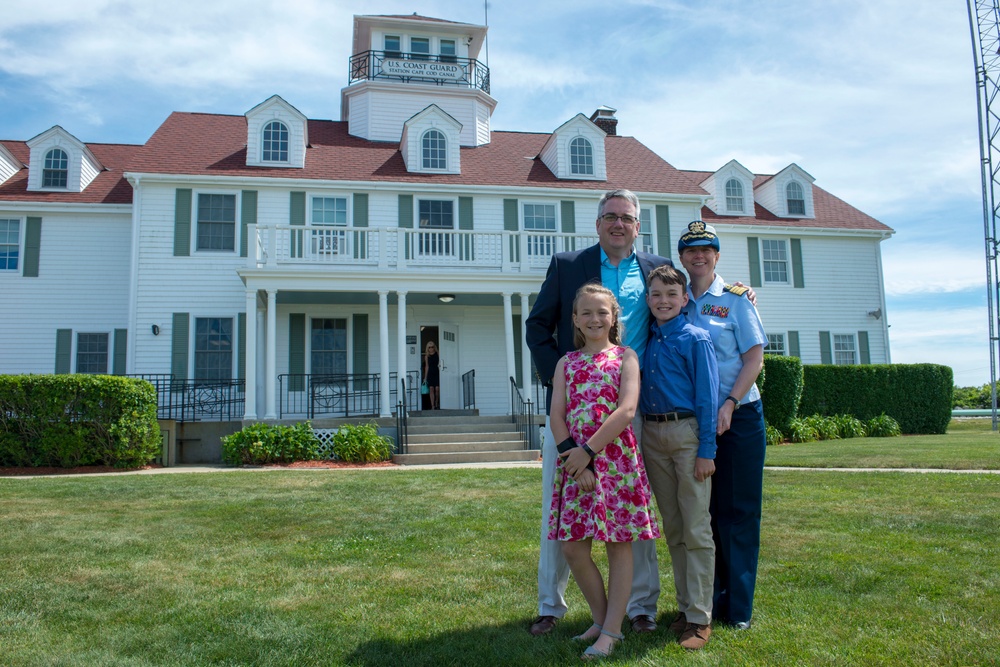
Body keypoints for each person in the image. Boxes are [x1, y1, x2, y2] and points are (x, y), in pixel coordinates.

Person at [526, 189, 669, 636]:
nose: (618, 224)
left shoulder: (655, 267)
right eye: (609, 216)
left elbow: (682, 305)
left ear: (637, 226)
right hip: (571, 416)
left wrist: (742, 297)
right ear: (598, 223)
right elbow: (537, 326)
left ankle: (640, 608)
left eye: (626, 217)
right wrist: (563, 383)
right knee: (562, 507)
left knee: (630, 515)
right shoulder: (568, 265)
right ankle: (552, 605)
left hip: (630, 414)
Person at [548, 283, 660, 660]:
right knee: (574, 547)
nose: (594, 319)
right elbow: (556, 415)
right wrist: (571, 457)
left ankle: (612, 631)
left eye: (602, 312)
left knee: (617, 543)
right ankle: (600, 620)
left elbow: (627, 410)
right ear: (576, 320)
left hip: (615, 463)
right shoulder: (567, 362)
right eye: (586, 313)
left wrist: (588, 451)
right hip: (575, 464)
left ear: (613, 317)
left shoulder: (626, 357)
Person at [676, 220, 767, 631]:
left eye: (706, 250)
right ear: (682, 257)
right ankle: (706, 603)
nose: (699, 256)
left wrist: (729, 403)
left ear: (716, 255)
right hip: (698, 422)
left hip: (740, 416)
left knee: (739, 512)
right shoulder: (677, 301)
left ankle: (739, 609)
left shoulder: (735, 301)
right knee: (704, 514)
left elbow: (753, 359)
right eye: (691, 250)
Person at [640, 265, 720, 651]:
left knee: (696, 527)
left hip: (687, 435)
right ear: (648, 299)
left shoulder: (696, 338)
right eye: (656, 294)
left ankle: (701, 617)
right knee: (673, 528)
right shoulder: (649, 340)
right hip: (652, 436)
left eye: (672, 295)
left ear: (685, 299)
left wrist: (707, 450)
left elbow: (707, 398)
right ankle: (686, 608)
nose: (663, 301)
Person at [423, 341, 440, 410]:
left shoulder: (438, 353)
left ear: (434, 347)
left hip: (437, 372)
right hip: (430, 373)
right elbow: (427, 366)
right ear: (427, 348)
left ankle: (437, 402)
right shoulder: (427, 356)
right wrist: (425, 377)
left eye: (432, 347)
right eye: (429, 347)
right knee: (431, 389)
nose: (431, 349)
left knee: (437, 389)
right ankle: (432, 405)